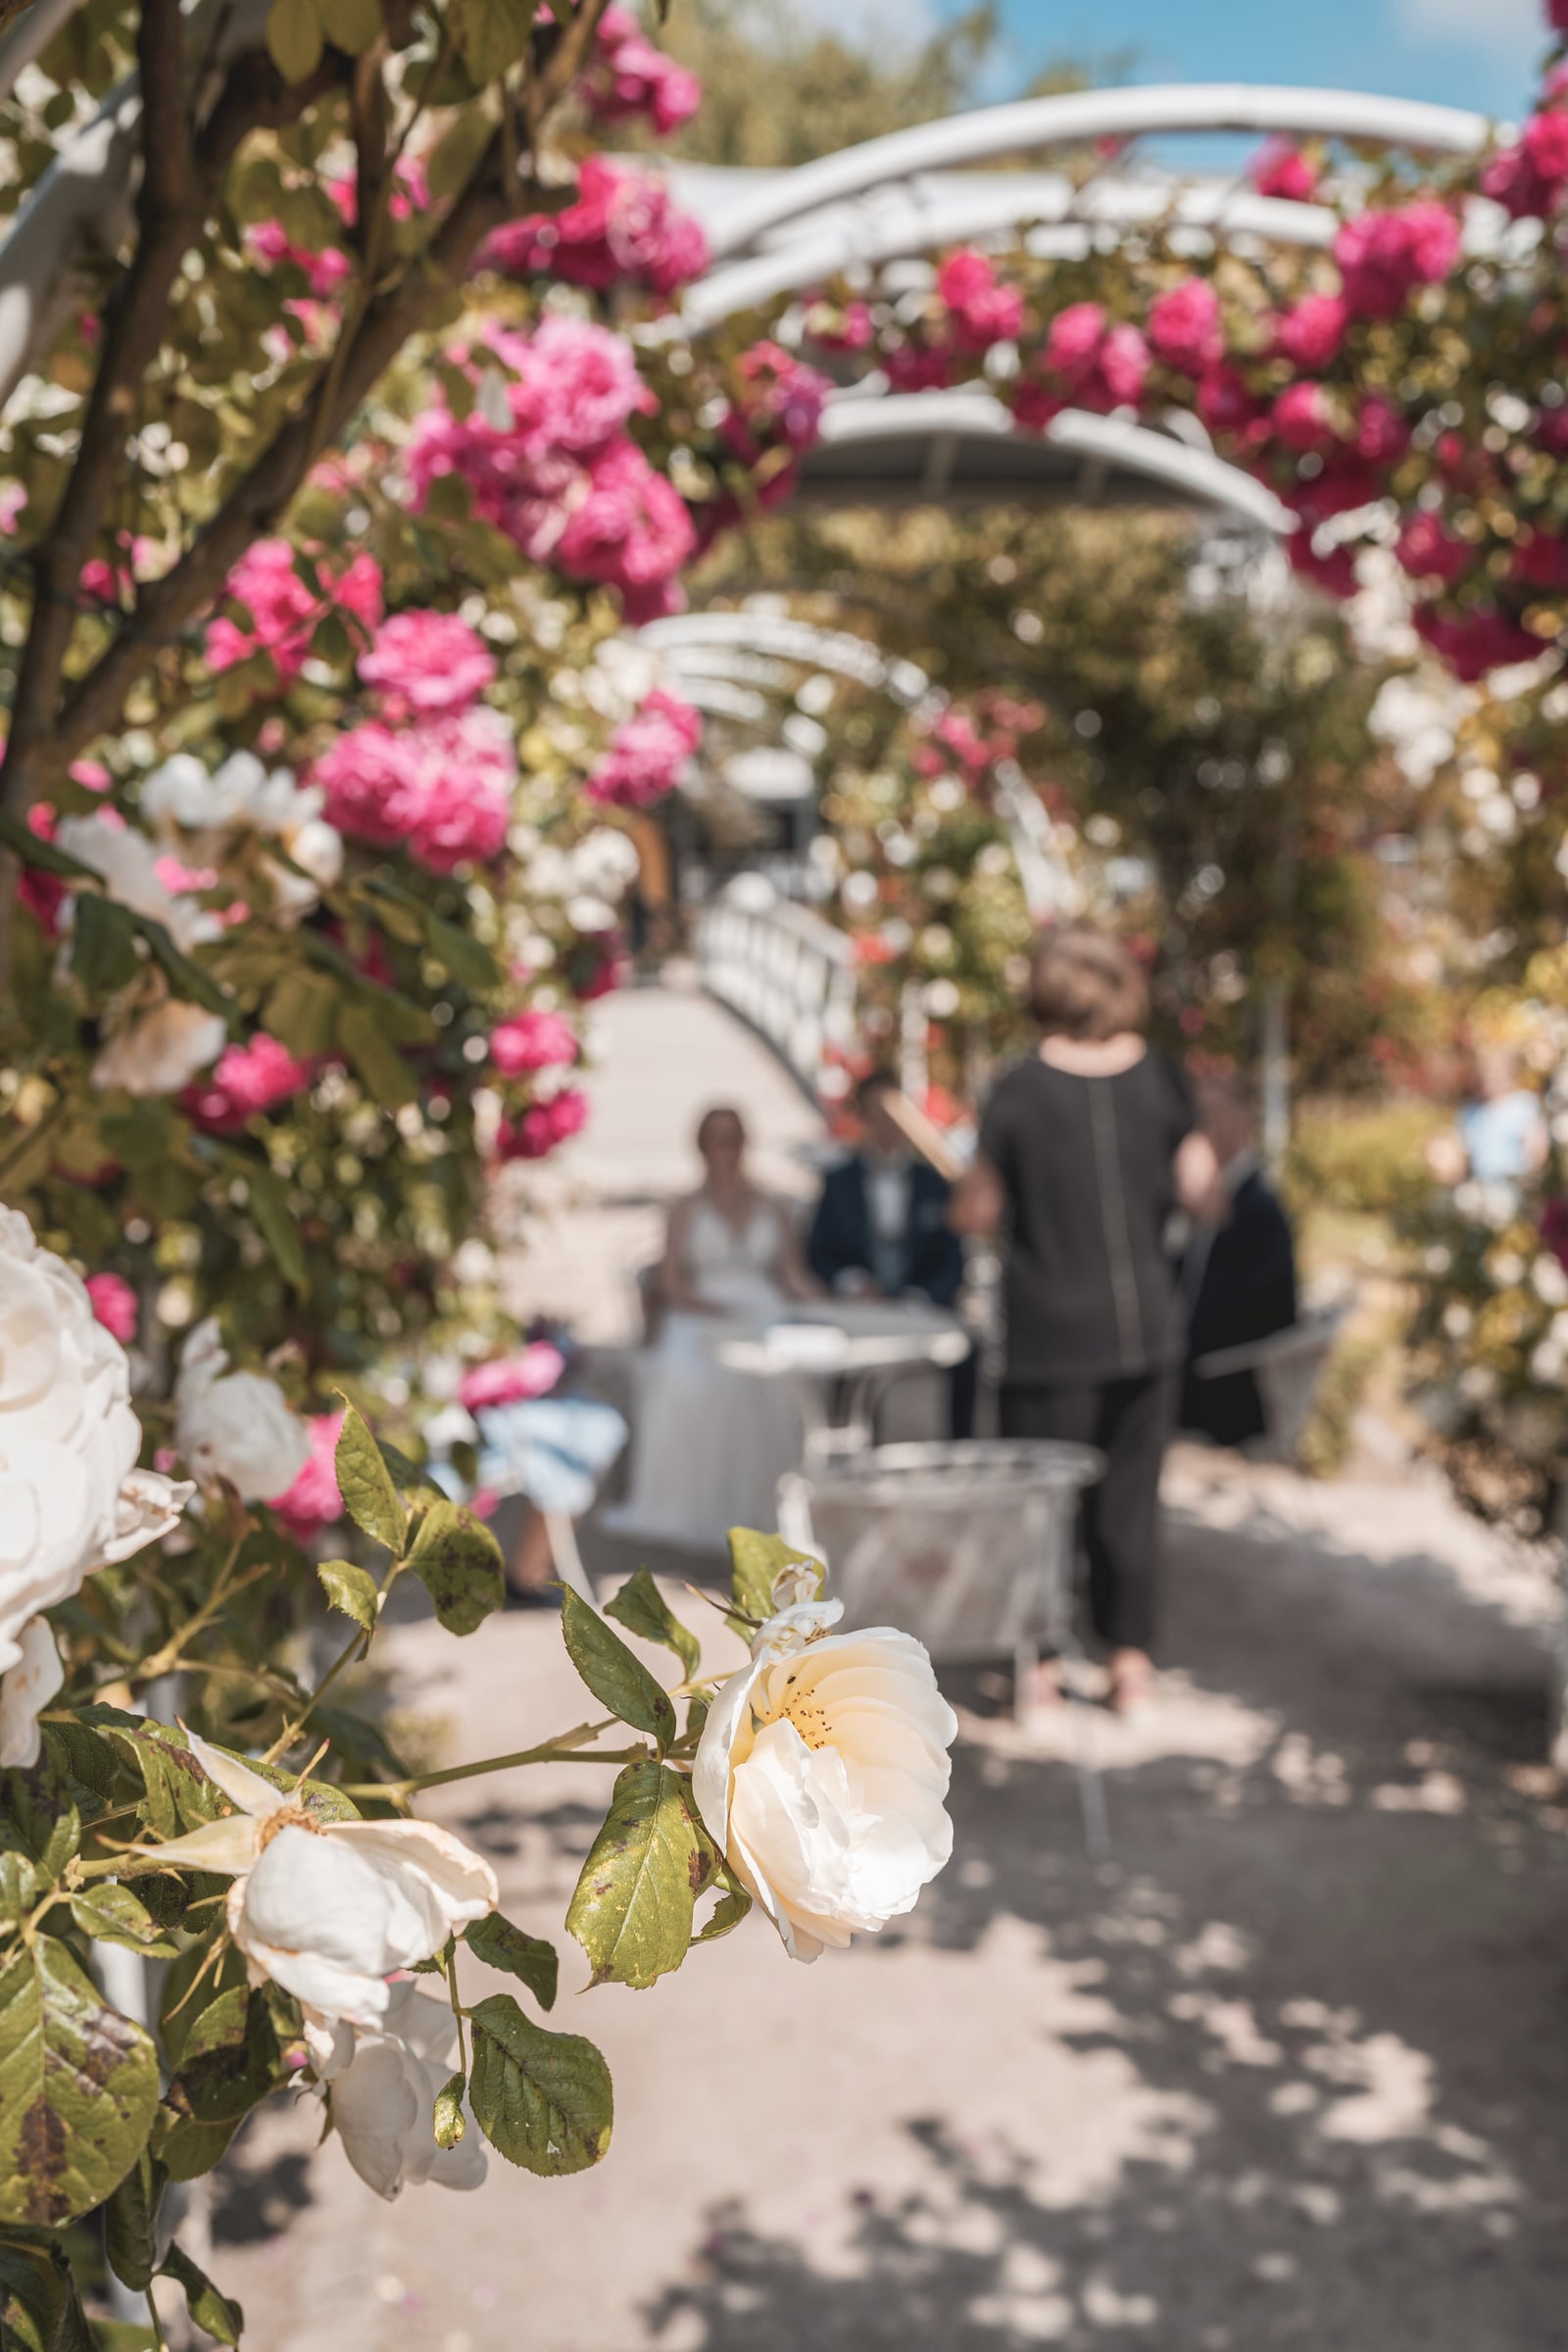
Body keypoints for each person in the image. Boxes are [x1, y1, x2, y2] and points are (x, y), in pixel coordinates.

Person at [952, 924, 1221, 1712]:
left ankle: (1040, 1664)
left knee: (1044, 1506)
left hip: (1048, 1332)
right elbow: (1204, 1193)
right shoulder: (1162, 1078)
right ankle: (1129, 1665)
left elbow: (978, 1209)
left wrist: (965, 1200)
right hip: (1145, 1328)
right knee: (1130, 1503)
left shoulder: (1016, 1087)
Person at [601, 1104, 817, 1550]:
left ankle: (772, 1506)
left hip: (763, 1311)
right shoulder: (685, 1208)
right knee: (688, 1378)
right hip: (698, 1313)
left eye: (733, 1138)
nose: (726, 1148)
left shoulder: (773, 1205)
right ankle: (699, 1506)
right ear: (702, 1147)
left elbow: (792, 1276)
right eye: (717, 1139)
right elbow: (672, 1285)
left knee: (784, 1380)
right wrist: (717, 1310)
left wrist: (831, 1301)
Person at [808, 1068, 976, 1436]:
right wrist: (852, 1282)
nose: (886, 1124)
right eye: (876, 1113)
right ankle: (847, 1441)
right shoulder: (838, 1183)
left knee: (969, 1350)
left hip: (920, 1303)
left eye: (894, 1114)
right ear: (862, 1118)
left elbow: (953, 1258)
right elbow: (818, 1252)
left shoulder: (934, 1183)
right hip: (859, 1308)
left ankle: (957, 1446)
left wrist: (921, 1295)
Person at [1179, 1070, 1298, 1448]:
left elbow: (1242, 1312)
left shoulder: (1255, 1209)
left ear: (1239, 1123)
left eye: (1208, 1117)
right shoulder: (1222, 1198)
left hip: (1226, 1390)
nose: (1198, 1129)